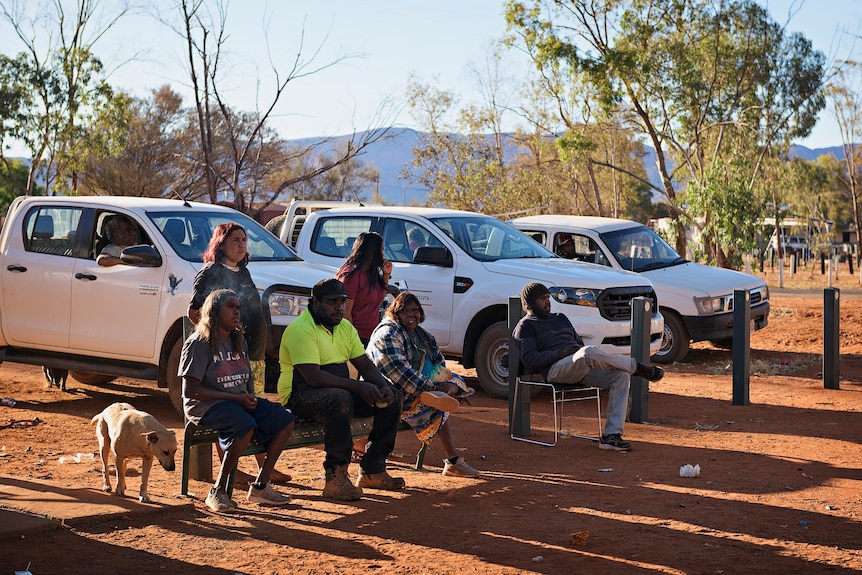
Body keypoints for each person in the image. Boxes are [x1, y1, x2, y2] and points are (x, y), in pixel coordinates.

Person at [278, 278, 405, 501]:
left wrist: (382, 387)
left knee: (393, 396)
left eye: (342, 302)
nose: (339, 307)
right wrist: (360, 386)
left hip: (337, 392)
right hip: (301, 395)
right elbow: (313, 377)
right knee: (340, 398)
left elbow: (364, 364)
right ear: (315, 302)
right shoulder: (301, 329)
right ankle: (335, 476)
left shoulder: (345, 327)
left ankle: (372, 470)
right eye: (332, 302)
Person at [188, 222, 291, 484]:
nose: (242, 244)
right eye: (235, 240)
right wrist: (220, 339)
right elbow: (194, 312)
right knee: (232, 414)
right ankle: (229, 468)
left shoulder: (244, 271)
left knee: (251, 405)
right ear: (220, 243)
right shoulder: (210, 272)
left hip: (249, 352)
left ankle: (261, 466)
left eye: (245, 240)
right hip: (223, 357)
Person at [180, 289, 295, 513]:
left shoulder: (238, 339)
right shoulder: (199, 343)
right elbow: (190, 390)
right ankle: (218, 490)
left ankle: (261, 486)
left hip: (238, 400)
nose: (236, 312)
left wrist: (250, 396)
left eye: (238, 308)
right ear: (214, 311)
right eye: (230, 307)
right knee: (245, 425)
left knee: (285, 420)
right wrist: (234, 397)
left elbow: (247, 376)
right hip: (206, 407)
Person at [512, 282, 664, 452]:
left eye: (548, 298)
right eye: (542, 299)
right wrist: (560, 353)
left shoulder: (560, 318)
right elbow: (529, 358)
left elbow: (578, 343)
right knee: (588, 352)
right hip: (556, 370)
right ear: (531, 303)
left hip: (577, 365)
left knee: (620, 375)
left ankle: (611, 436)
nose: (548, 302)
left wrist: (574, 352)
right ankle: (636, 367)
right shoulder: (525, 326)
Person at [367, 292, 480, 478]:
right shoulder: (387, 334)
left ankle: (453, 461)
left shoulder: (424, 336)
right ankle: (453, 461)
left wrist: (450, 386)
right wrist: (435, 389)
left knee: (445, 393)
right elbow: (398, 373)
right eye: (406, 311)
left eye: (416, 310)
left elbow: (440, 367)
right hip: (385, 394)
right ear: (396, 313)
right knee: (435, 406)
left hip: (415, 391)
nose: (412, 315)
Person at [335, 231, 392, 346]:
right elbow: (345, 311)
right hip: (356, 337)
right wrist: (353, 339)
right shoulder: (352, 274)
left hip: (371, 336)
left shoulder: (371, 273)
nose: (383, 254)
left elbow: (377, 302)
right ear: (372, 251)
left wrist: (386, 275)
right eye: (381, 250)